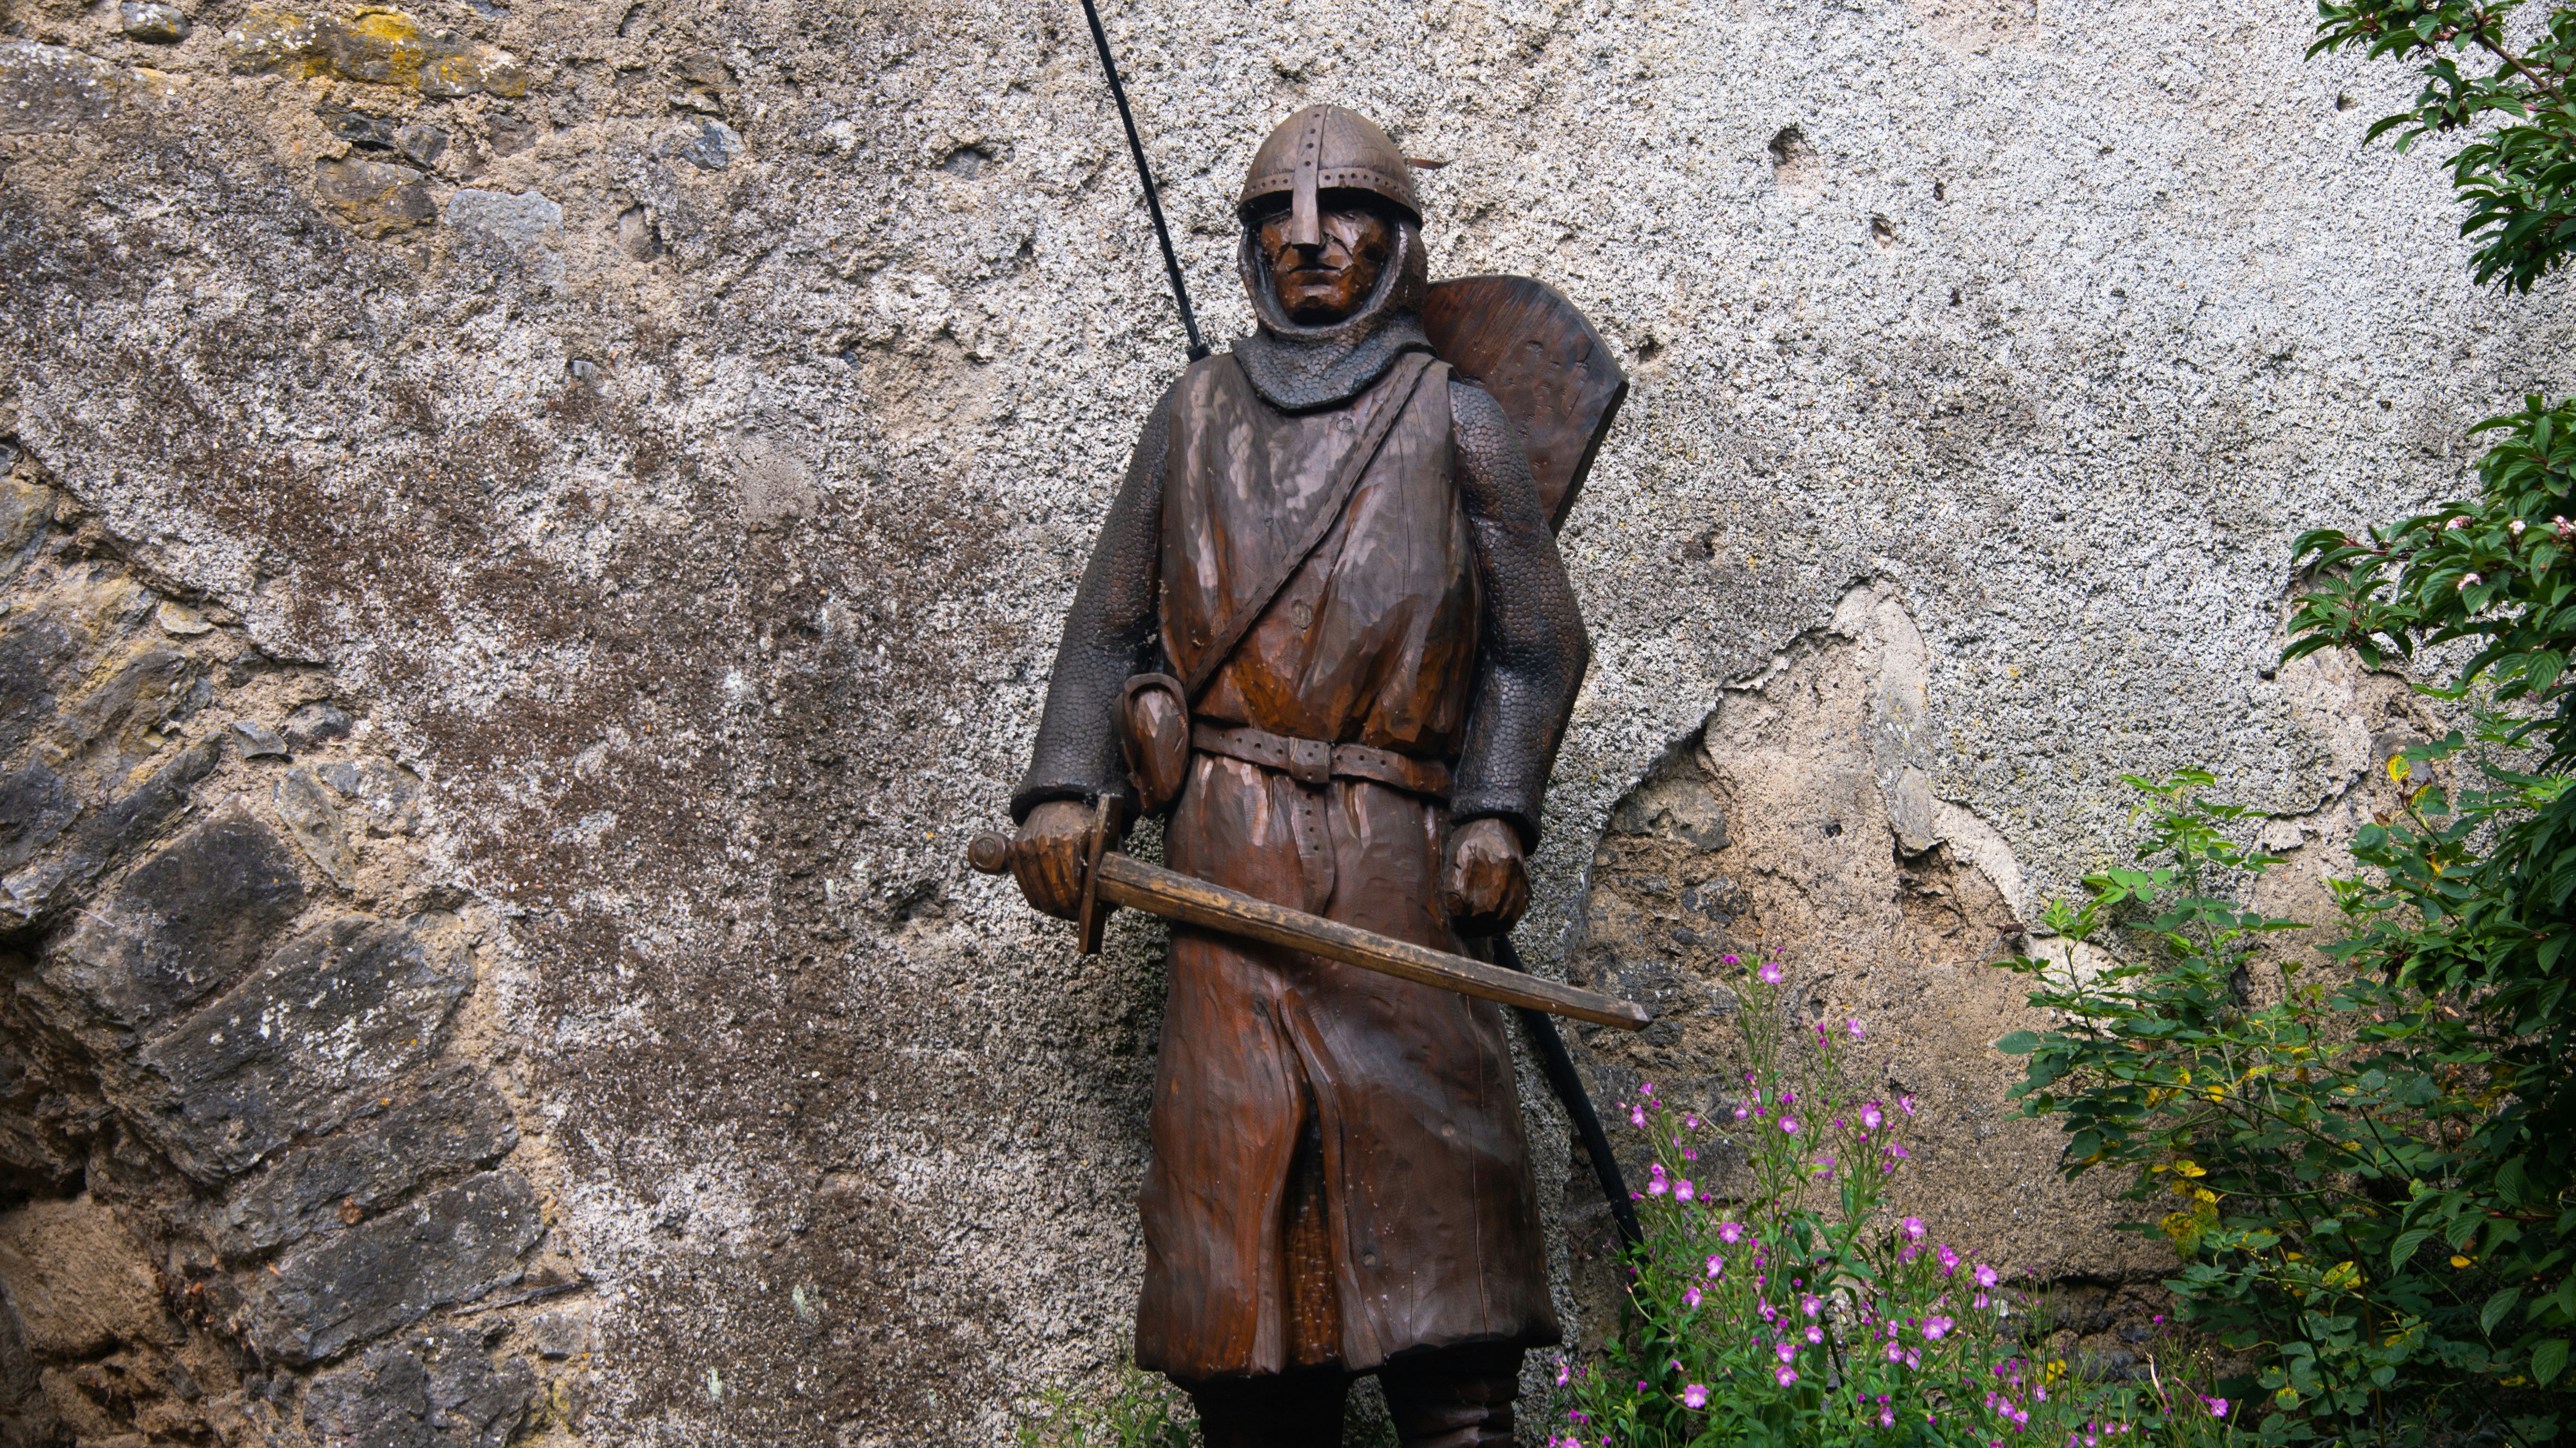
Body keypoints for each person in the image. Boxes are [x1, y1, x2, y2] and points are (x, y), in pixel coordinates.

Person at [1007, 103, 1590, 1448]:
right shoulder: (1194, 414)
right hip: (1225, 871)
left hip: (1396, 866)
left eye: (1347, 216)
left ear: (1399, 241)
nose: (1311, 241)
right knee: (1248, 1302)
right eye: (1280, 215)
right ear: (1250, 245)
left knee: (1450, 1269)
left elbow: (1536, 645)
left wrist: (1497, 809)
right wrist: (1059, 793)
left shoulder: (1461, 422)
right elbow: (1105, 632)